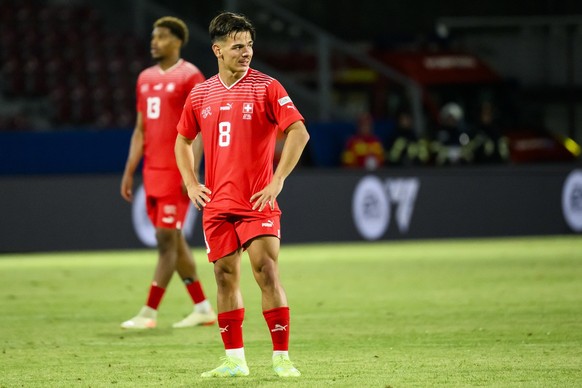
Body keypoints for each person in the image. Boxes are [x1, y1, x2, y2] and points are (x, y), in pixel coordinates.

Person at [174, 12, 309, 378]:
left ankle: (281, 358)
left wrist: (278, 179)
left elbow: (298, 132)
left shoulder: (267, 87)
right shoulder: (200, 93)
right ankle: (235, 360)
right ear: (217, 50)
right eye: (237, 46)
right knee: (223, 276)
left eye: (249, 45)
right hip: (217, 203)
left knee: (266, 270)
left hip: (257, 202)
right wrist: (190, 182)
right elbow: (182, 139)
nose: (246, 52)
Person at [120, 16, 216, 329]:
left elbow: (200, 128)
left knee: (165, 240)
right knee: (174, 240)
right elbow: (140, 129)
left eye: (161, 36)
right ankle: (202, 307)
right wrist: (129, 170)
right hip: (152, 171)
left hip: (177, 171)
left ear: (177, 41)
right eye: (153, 36)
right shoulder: (144, 78)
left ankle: (148, 313)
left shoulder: (191, 76)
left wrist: (191, 172)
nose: (154, 42)